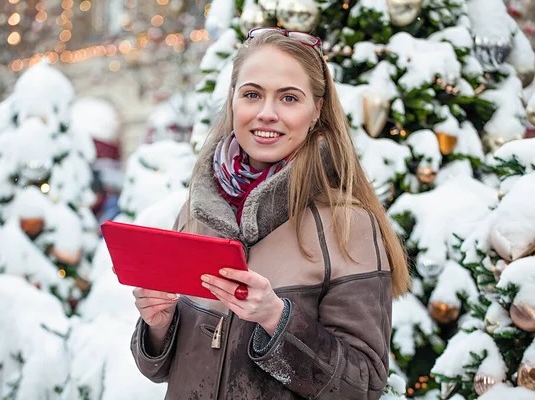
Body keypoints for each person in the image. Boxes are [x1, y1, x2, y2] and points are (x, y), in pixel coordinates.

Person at [128, 28, 410, 399]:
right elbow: (163, 369)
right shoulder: (197, 211)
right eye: (252, 94)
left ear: (316, 111)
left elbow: (363, 386)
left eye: (289, 98)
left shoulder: (347, 224)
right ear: (233, 101)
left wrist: (276, 318)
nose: (266, 114)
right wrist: (158, 326)